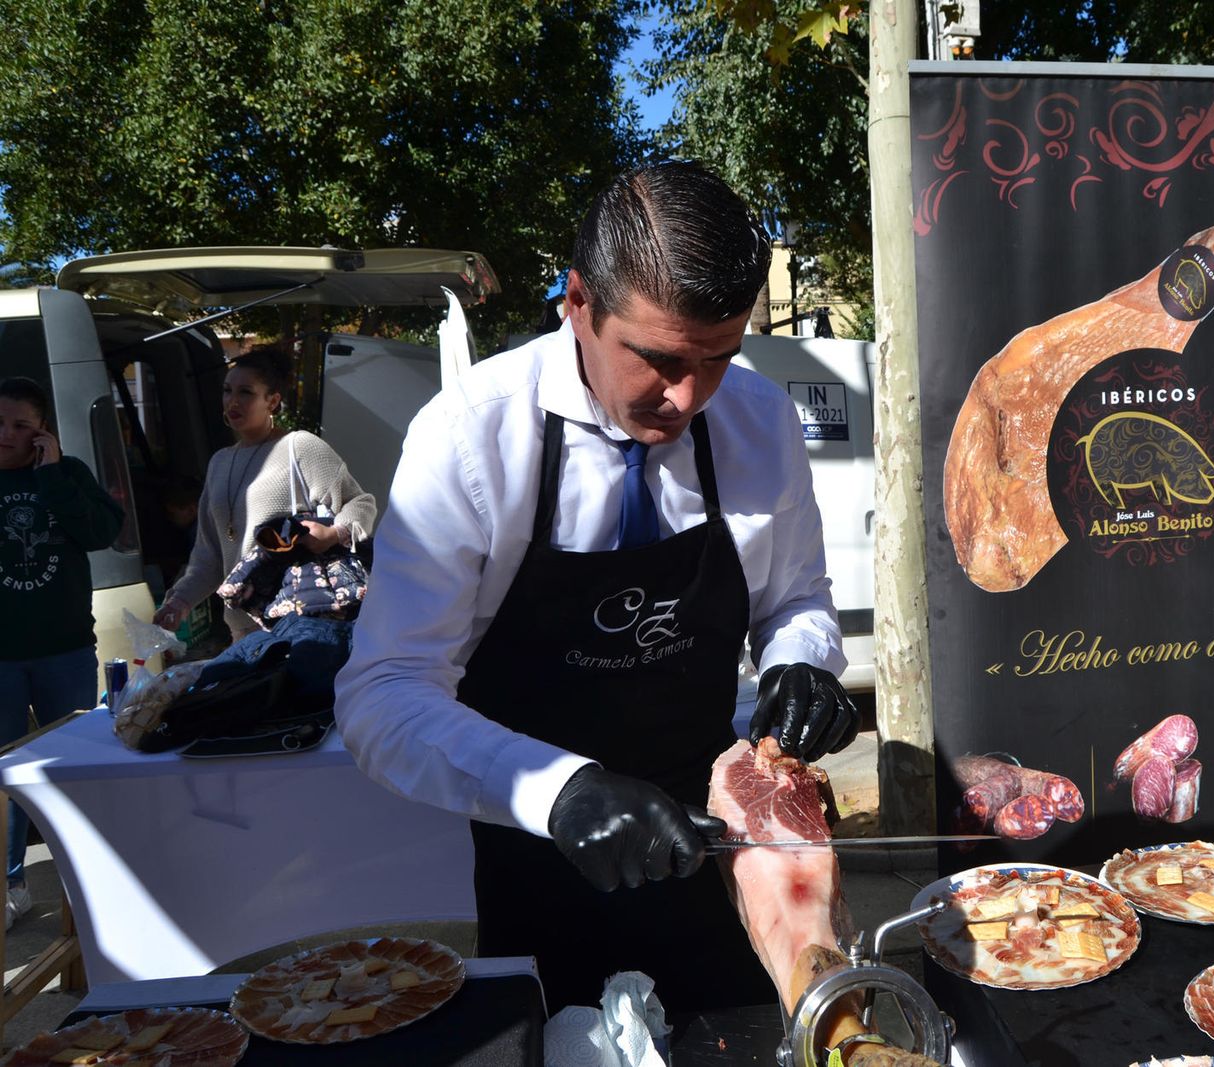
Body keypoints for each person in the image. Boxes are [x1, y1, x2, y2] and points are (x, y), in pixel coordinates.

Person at [335, 161, 860, 1012]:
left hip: (723, 857)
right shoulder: (473, 436)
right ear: (578, 300)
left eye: (719, 357)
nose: (688, 397)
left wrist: (803, 661)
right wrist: (561, 789)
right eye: (657, 358)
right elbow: (381, 695)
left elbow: (795, 598)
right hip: (540, 860)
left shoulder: (759, 422)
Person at [0, 376, 123, 930]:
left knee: (70, 771)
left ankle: (84, 888)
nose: (6, 434)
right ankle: (10, 885)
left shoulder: (67, 475)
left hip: (65, 651)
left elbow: (100, 531)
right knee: (2, 776)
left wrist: (51, 475)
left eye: (20, 425)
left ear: (42, 432)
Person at [154, 348, 376, 642]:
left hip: (297, 620)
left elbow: (361, 503)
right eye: (227, 390)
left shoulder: (299, 447)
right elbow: (209, 553)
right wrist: (178, 603)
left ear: (272, 401)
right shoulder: (219, 462)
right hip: (241, 626)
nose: (233, 401)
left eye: (245, 392)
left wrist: (334, 532)